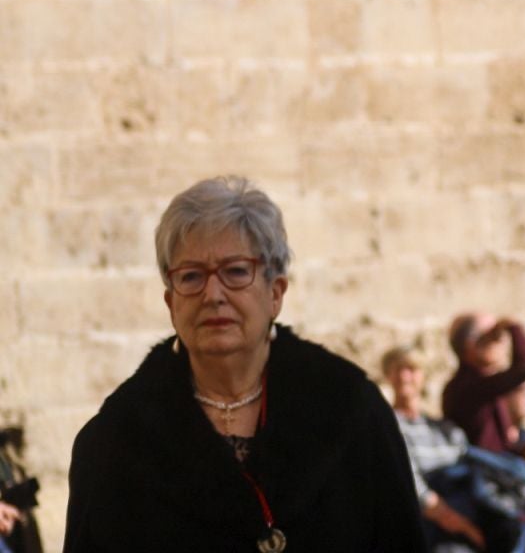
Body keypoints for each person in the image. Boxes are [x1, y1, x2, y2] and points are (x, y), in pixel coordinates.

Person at [65, 176, 424, 551]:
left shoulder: (352, 411)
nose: (213, 294)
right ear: (171, 304)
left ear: (275, 293)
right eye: (191, 276)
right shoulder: (115, 440)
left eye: (236, 271)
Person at [383, 347, 525, 553]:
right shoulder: (386, 427)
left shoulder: (445, 429)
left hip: (466, 516)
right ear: (388, 375)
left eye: (411, 369)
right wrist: (466, 529)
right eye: (397, 369)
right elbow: (415, 490)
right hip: (429, 528)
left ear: (423, 375)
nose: (404, 376)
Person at [445, 313, 525, 456]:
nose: (501, 342)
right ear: (470, 345)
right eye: (493, 337)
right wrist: (513, 326)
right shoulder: (468, 386)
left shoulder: (482, 385)